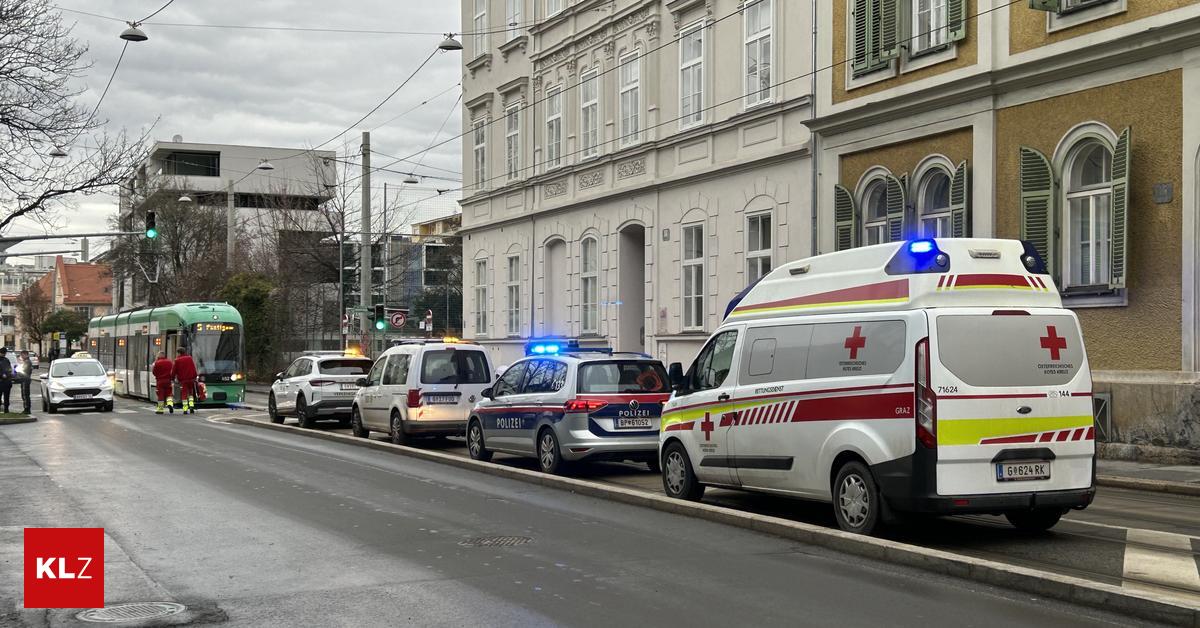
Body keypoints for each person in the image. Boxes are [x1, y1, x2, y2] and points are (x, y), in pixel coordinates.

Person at [172, 347, 198, 414]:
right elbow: (193, 368)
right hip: (191, 379)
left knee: (184, 394)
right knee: (191, 393)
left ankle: (185, 409)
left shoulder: (177, 360)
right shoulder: (189, 358)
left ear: (179, 353)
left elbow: (174, 371)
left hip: (183, 380)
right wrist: (195, 376)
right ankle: (191, 406)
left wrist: (172, 378)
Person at [0, 348, 12, 413]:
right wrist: (2, 375)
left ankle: (6, 409)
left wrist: (9, 375)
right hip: (1, 381)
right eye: (3, 353)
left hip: (6, 381)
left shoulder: (6, 360)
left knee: (6, 397)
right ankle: (5, 409)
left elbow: (9, 369)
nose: (4, 354)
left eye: (4, 353)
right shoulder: (5, 360)